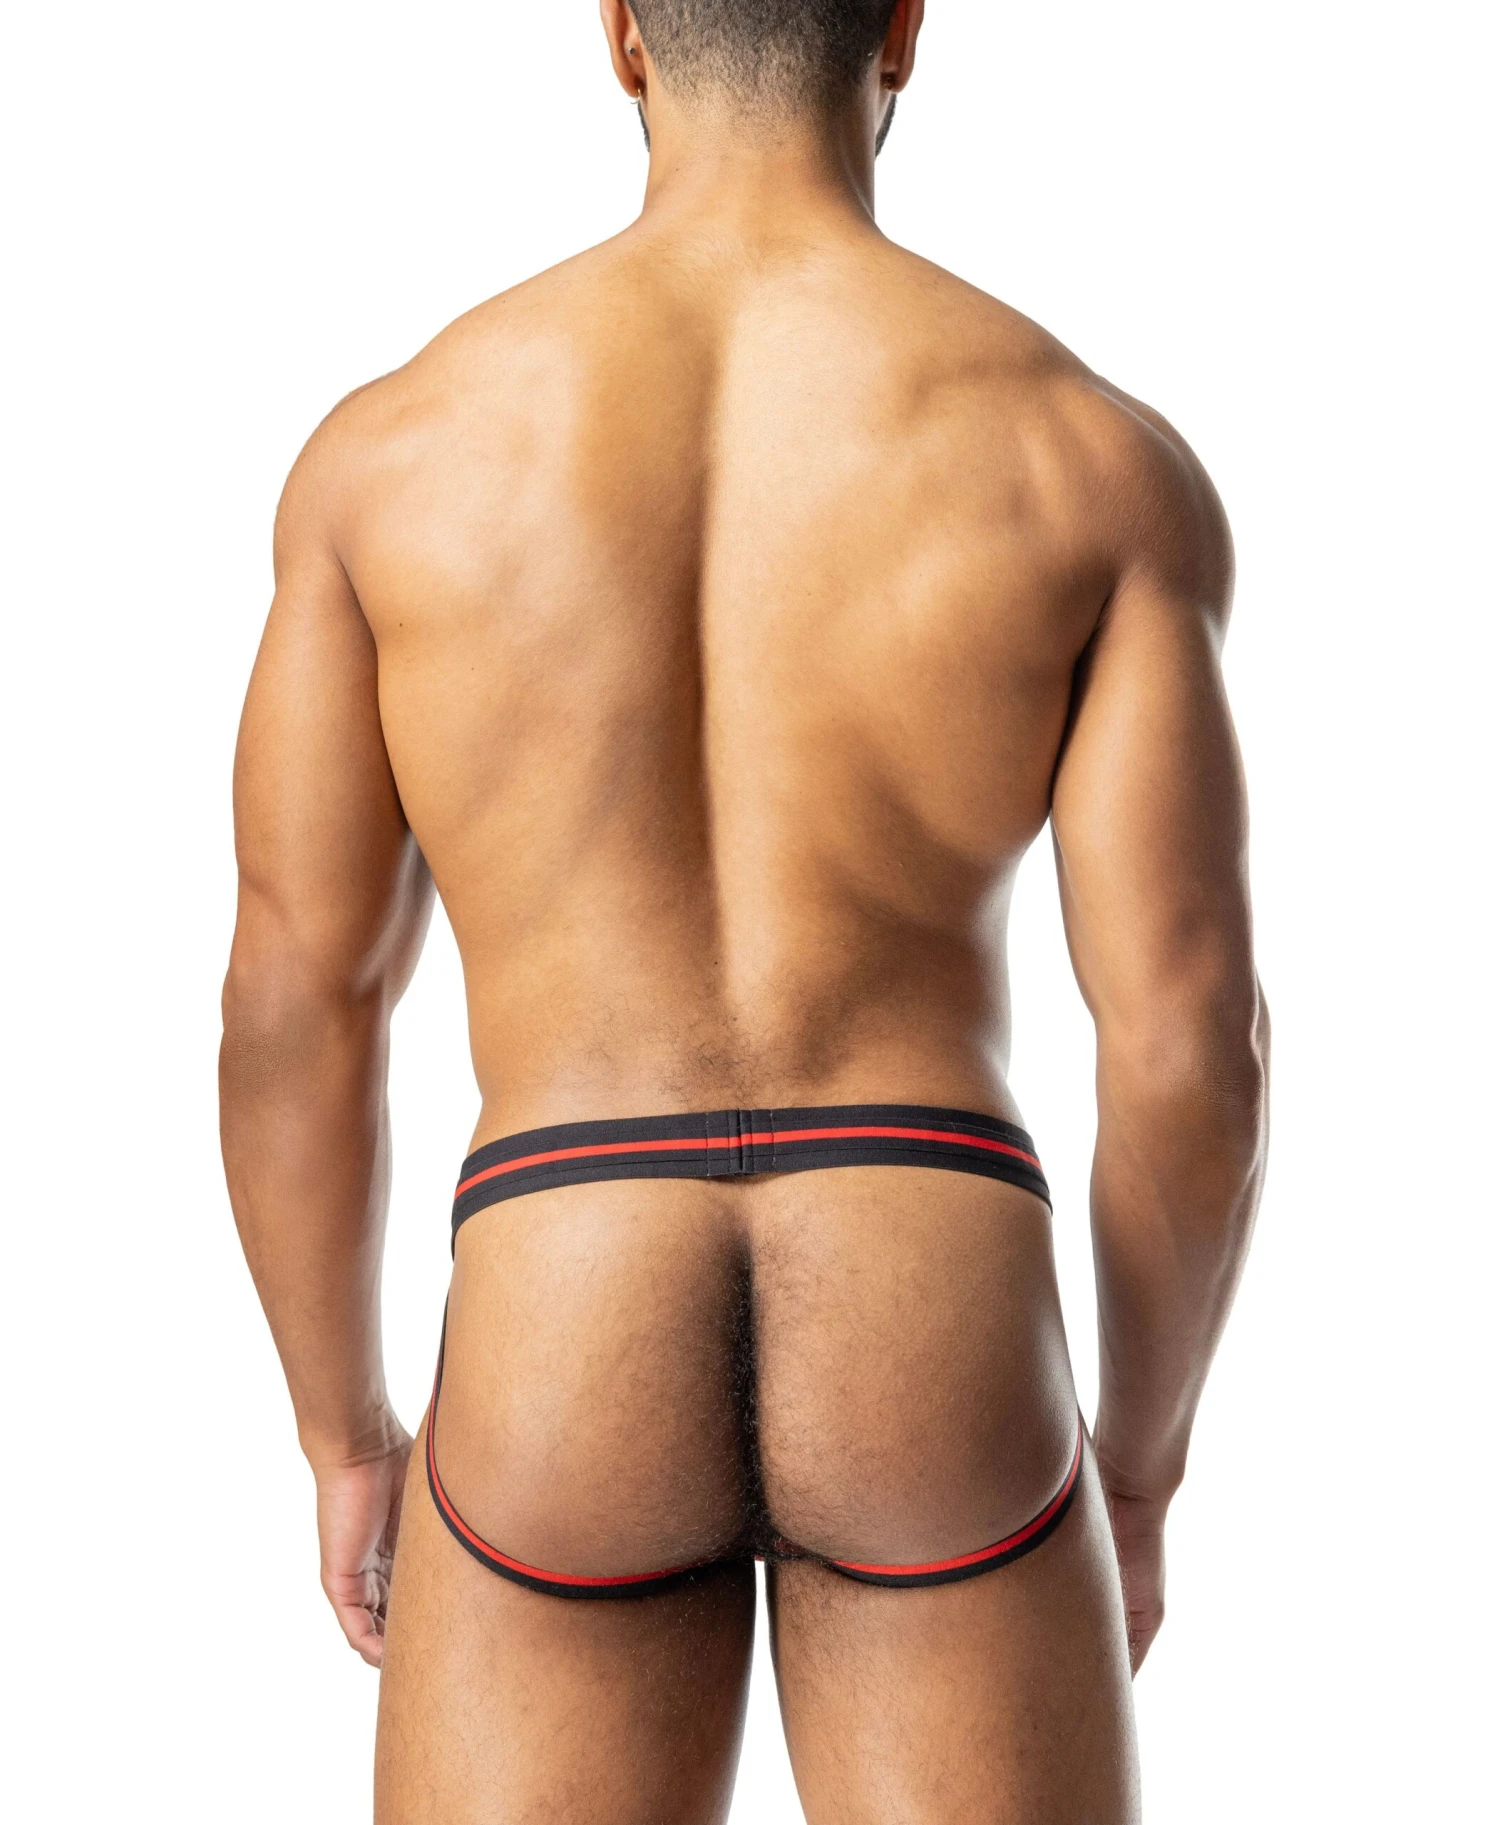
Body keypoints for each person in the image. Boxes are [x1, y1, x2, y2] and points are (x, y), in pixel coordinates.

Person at [219, 2, 1269, 1817]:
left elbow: (291, 1004)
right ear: (905, 27)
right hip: (927, 1283)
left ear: (622, 34)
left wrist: (344, 1435)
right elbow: (1191, 1040)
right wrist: (1141, 1465)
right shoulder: (1082, 457)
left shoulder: (391, 461)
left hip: (563, 1282)